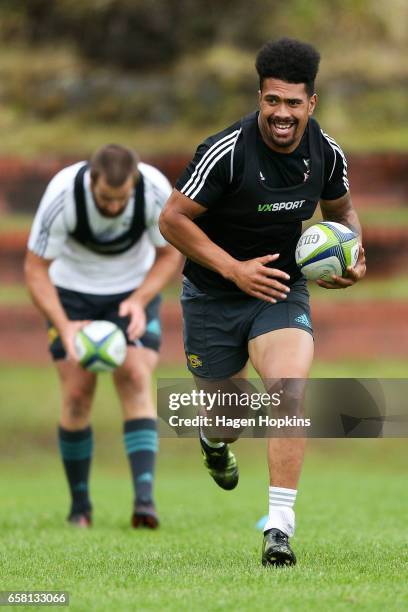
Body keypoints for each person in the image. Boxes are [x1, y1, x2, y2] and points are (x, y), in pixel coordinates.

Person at [159, 38, 366, 565]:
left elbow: (342, 212)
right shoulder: (225, 151)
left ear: (311, 104)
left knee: (288, 395)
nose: (281, 113)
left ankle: (279, 528)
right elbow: (172, 220)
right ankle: (213, 440)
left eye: (293, 103)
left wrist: (352, 257)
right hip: (211, 296)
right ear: (260, 98)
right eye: (272, 101)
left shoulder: (325, 152)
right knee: (227, 419)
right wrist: (232, 269)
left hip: (280, 290)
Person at [25, 144, 181, 529]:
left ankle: (144, 502)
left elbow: (170, 253)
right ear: (91, 181)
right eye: (106, 199)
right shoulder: (62, 194)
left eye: (122, 198)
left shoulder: (154, 191)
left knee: (135, 377)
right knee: (77, 394)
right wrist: (64, 326)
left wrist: (141, 300)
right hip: (71, 295)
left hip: (131, 291)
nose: (114, 207)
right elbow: (35, 268)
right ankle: (80, 508)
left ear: (135, 183)